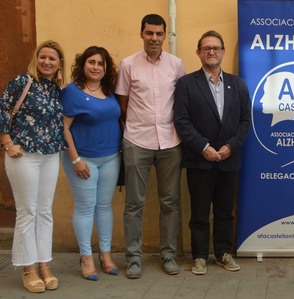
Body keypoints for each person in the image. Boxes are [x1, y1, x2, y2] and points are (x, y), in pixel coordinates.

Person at [173, 30, 250, 274]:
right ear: (199, 53)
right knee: (199, 212)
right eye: (206, 48)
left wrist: (231, 146)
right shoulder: (186, 83)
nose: (211, 52)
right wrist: (204, 147)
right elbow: (181, 121)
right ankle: (199, 256)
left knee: (225, 211)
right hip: (200, 159)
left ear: (223, 52)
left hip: (229, 159)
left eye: (216, 48)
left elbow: (245, 121)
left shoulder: (238, 84)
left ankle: (223, 253)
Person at [116, 13, 186, 278]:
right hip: (137, 141)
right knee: (134, 203)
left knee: (171, 202)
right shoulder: (128, 65)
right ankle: (134, 258)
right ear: (142, 34)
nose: (154, 38)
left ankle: (168, 255)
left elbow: (181, 100)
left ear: (165, 35)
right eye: (149, 33)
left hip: (171, 142)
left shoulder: (177, 65)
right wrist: (133, 128)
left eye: (159, 33)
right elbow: (122, 103)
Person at [0, 40, 67, 293]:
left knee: (45, 211)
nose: (47, 62)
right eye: (43, 57)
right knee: (28, 211)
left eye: (53, 59)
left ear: (59, 63)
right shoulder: (22, 81)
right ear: (36, 59)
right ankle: (28, 268)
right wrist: (7, 142)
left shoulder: (55, 88)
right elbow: (2, 108)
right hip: (23, 155)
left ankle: (44, 264)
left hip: (50, 155)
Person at [60, 46, 121, 281]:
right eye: (92, 62)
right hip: (82, 160)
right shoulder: (72, 92)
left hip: (111, 158)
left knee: (104, 207)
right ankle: (86, 257)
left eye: (101, 63)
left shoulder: (110, 90)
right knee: (85, 208)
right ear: (82, 65)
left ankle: (105, 255)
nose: (96, 67)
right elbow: (63, 127)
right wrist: (75, 159)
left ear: (106, 68)